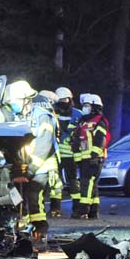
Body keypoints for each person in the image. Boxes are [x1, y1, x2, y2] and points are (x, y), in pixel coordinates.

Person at [6, 81, 57, 251]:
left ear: (26, 100)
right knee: (20, 203)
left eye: (14, 101)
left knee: (35, 202)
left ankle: (40, 235)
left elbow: (44, 145)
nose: (12, 105)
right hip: (25, 167)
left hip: (40, 168)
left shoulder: (43, 116)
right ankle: (23, 237)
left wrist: (30, 171)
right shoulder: (19, 117)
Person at [74, 93, 110, 219]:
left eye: (87, 105)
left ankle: (83, 209)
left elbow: (101, 140)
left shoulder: (99, 121)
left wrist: (94, 156)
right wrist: (78, 158)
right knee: (91, 184)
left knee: (86, 183)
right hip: (85, 158)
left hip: (94, 158)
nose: (84, 108)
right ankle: (94, 210)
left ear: (94, 107)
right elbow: (78, 140)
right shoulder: (83, 121)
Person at [54, 86, 83, 214]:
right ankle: (55, 208)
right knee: (55, 181)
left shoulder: (78, 114)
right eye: (60, 100)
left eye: (65, 99)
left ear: (70, 99)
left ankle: (76, 208)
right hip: (56, 155)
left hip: (72, 155)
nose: (63, 102)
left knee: (73, 181)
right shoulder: (51, 113)